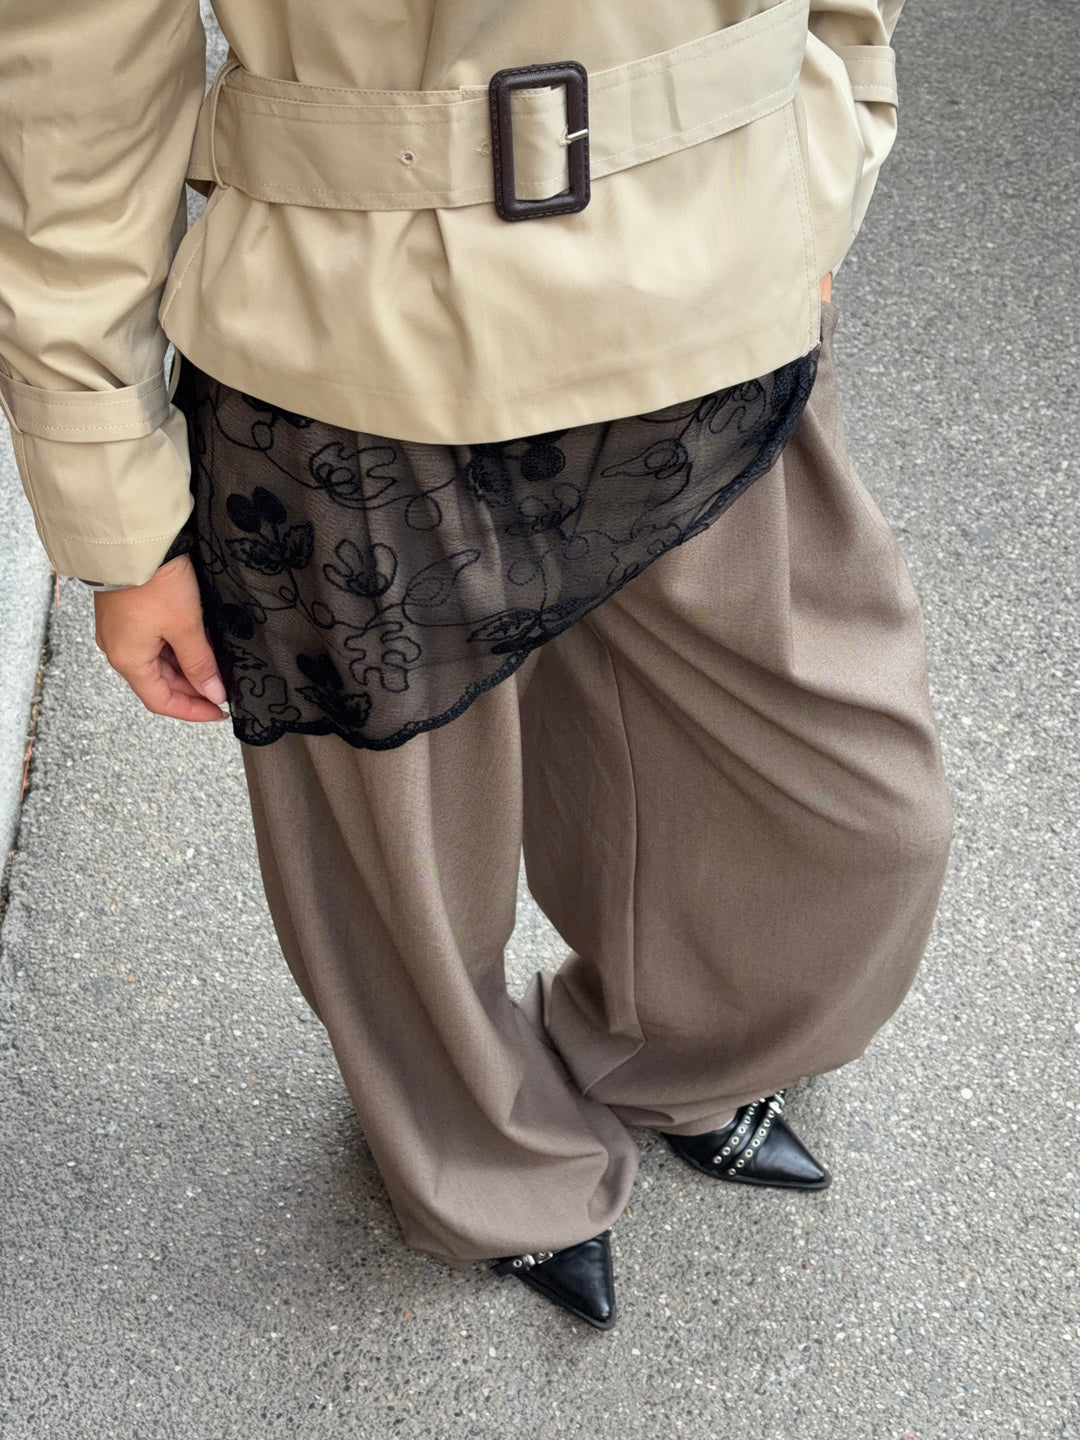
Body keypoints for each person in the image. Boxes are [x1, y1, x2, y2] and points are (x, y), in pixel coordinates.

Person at [0, 0, 952, 1331]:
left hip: (712, 284)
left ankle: (674, 1051)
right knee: (403, 870)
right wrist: (110, 494)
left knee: (856, 818)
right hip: (349, 325)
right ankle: (482, 1164)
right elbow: (77, 82)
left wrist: (826, 145)